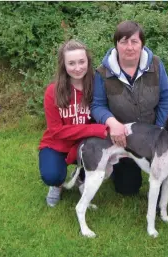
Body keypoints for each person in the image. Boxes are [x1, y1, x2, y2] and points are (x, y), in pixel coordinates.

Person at [91, 21, 168, 196]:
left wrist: (158, 131)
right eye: (124, 41)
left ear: (142, 44)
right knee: (128, 188)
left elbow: (166, 100)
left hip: (153, 134)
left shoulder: (157, 65)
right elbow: (97, 105)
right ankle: (118, 168)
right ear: (116, 45)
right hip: (122, 139)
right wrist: (112, 123)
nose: (129, 47)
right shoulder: (102, 73)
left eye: (134, 41)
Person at [39, 39, 108, 207]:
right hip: (57, 143)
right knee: (52, 175)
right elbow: (56, 131)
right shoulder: (53, 91)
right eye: (71, 63)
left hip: (85, 143)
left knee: (101, 156)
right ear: (64, 65)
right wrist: (93, 129)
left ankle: (81, 178)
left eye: (81, 62)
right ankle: (57, 185)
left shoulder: (97, 86)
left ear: (88, 62)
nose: (77, 68)